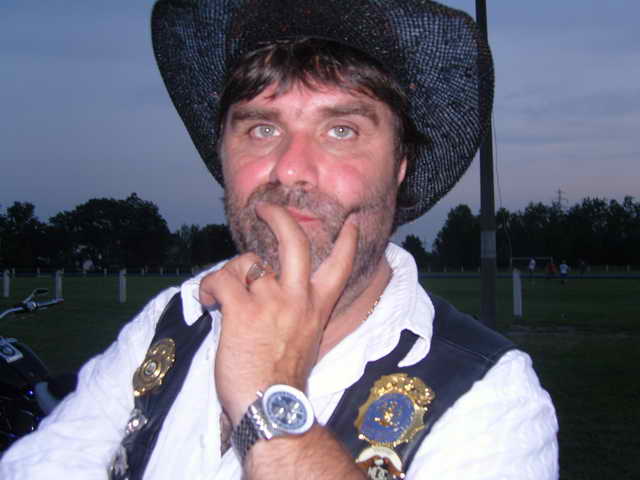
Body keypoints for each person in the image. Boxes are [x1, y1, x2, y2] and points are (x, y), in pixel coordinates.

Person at [0, 1, 558, 479]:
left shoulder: (489, 393)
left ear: (399, 168)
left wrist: (268, 399)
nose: (291, 168)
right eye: (262, 128)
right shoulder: (173, 318)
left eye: (341, 130)